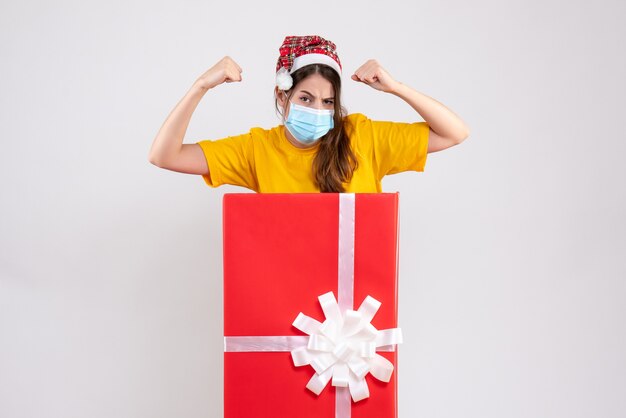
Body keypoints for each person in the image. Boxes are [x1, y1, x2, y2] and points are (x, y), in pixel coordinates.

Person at [148, 35, 470, 193]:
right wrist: (199, 87)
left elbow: (454, 132)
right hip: (285, 299)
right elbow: (165, 156)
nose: (317, 110)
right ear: (281, 94)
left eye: (328, 102)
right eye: (305, 97)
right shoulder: (256, 149)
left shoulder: (363, 137)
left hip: (353, 310)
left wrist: (397, 87)